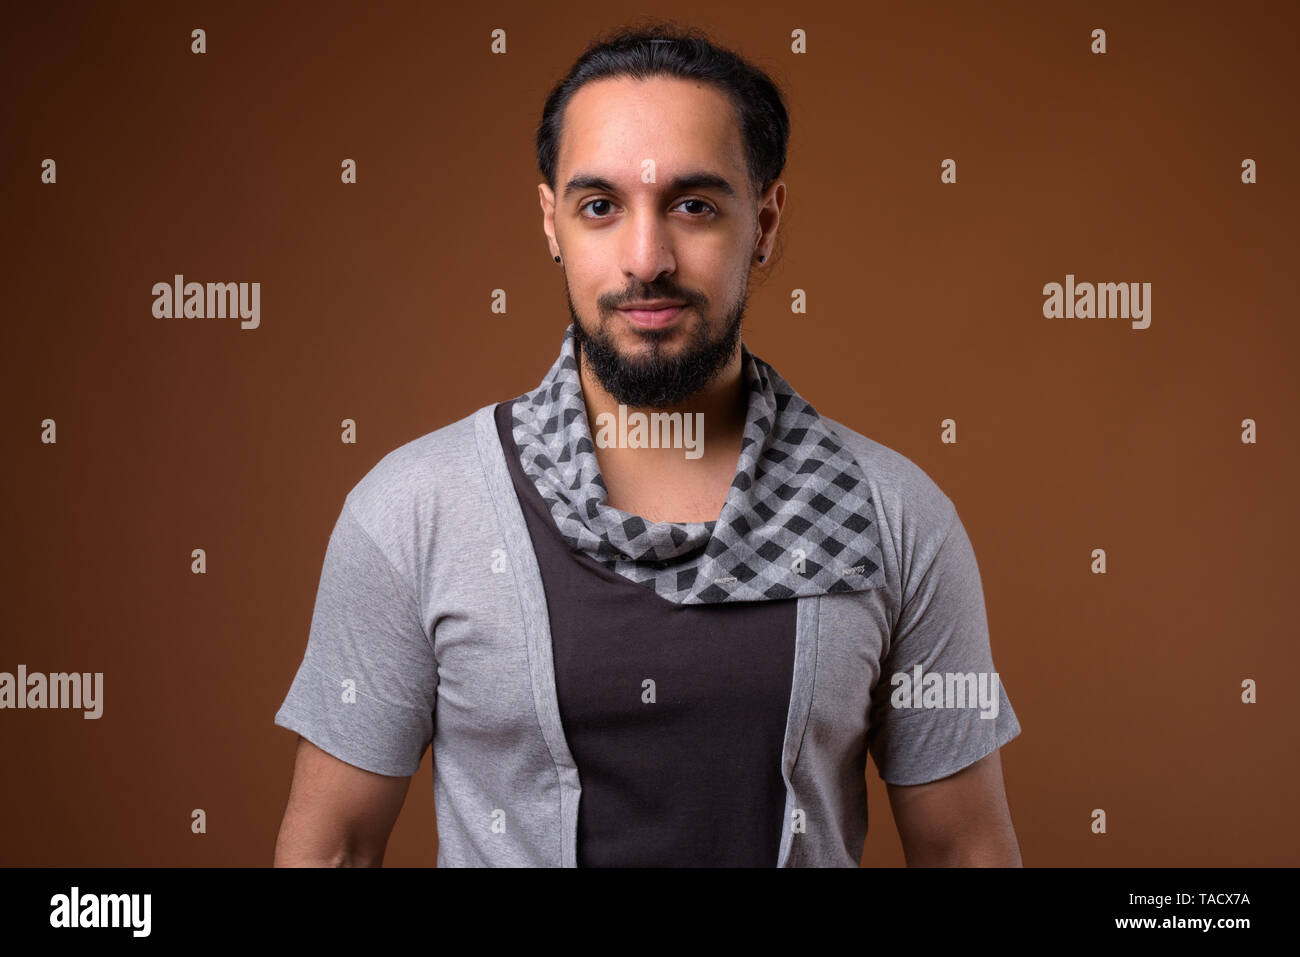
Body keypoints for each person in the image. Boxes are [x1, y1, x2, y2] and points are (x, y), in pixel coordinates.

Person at [272, 22, 1022, 868]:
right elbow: (331, 849)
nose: (646, 258)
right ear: (551, 222)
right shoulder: (414, 512)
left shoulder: (895, 519)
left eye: (693, 206)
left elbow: (966, 850)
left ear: (766, 221)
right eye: (601, 207)